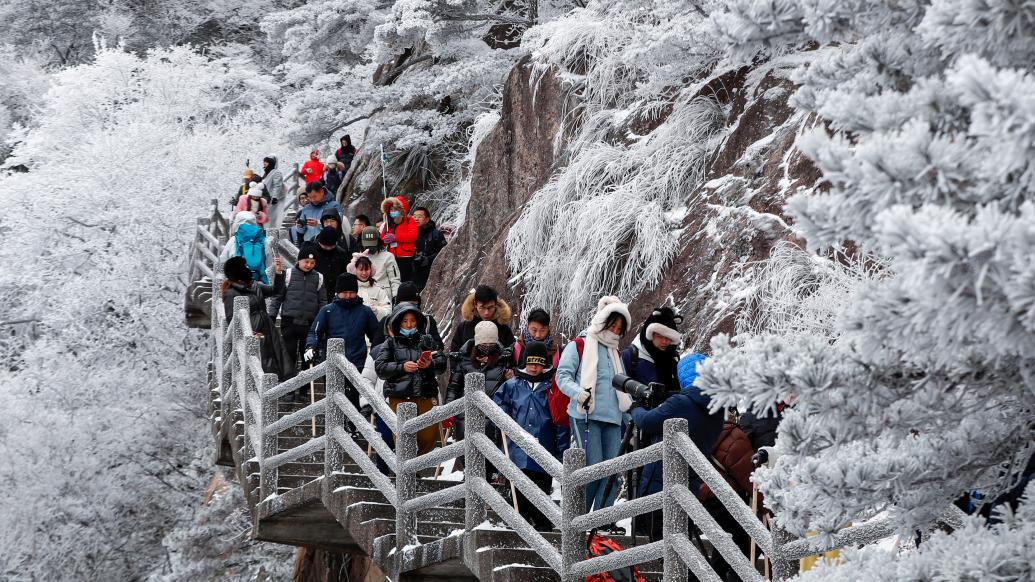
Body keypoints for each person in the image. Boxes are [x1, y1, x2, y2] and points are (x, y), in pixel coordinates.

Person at [628, 354, 730, 565]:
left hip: (660, 482)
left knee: (667, 548)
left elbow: (647, 422)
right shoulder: (717, 410)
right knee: (680, 543)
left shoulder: (682, 403)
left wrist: (635, 407)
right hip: (690, 484)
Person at [556, 296, 631, 516]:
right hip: (586, 415)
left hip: (613, 420)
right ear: (601, 320)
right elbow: (562, 377)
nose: (615, 331)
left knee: (612, 474)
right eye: (612, 325)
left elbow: (622, 389)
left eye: (619, 328)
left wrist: (631, 419)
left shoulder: (615, 353)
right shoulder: (579, 345)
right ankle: (577, 521)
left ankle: (601, 523)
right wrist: (579, 394)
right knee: (593, 469)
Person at [492, 341, 569, 531]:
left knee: (540, 491)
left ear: (545, 364)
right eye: (531, 363)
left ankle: (543, 526)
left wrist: (561, 451)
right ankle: (520, 525)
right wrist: (504, 420)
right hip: (516, 449)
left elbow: (560, 420)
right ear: (525, 362)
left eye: (539, 363)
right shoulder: (512, 385)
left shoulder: (552, 386)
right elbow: (498, 406)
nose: (534, 368)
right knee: (518, 490)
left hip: (544, 447)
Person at [375, 304, 447, 455]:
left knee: (429, 435)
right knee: (403, 435)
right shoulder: (390, 343)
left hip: (425, 393)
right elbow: (380, 368)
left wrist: (429, 364)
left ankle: (412, 467)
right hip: (399, 396)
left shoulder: (427, 340)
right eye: (405, 321)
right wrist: (402, 367)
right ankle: (406, 471)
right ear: (398, 323)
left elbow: (442, 364)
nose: (409, 325)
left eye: (412, 321)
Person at [305, 274, 381, 414]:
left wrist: (377, 352)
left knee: (353, 400)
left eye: (351, 292)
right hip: (331, 363)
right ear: (337, 292)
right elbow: (315, 332)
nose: (348, 296)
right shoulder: (327, 310)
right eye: (344, 293)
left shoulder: (365, 311)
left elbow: (377, 335)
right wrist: (311, 346)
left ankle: (353, 430)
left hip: (357, 363)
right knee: (333, 399)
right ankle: (334, 428)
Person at [221, 255, 292, 378]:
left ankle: (280, 387)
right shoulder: (231, 293)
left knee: (277, 356)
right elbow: (231, 319)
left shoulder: (255, 285)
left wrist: (278, 271)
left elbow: (275, 290)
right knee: (260, 362)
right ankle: (265, 390)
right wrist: (249, 333)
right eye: (245, 266)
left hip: (267, 326)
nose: (248, 268)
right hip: (253, 331)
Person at [274, 242, 327, 389]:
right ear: (299, 260)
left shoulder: (319, 278)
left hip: (309, 325)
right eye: (306, 261)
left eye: (312, 262)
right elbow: (278, 297)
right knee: (289, 356)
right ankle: (288, 388)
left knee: (307, 356)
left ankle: (304, 387)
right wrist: (272, 316)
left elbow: (323, 302)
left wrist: (323, 322)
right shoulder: (289, 274)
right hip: (289, 322)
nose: (309, 265)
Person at [621, 307, 682, 407]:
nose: (664, 341)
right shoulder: (631, 356)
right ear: (649, 334)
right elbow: (621, 393)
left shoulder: (673, 358)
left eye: (668, 337)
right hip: (640, 418)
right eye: (660, 336)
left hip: (670, 416)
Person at [449, 285, 516, 353]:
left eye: (490, 308)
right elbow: (454, 354)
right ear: (475, 305)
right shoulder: (464, 327)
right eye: (482, 308)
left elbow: (512, 353)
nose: (486, 313)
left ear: (495, 304)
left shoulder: (503, 328)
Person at [219, 211, 273, 284]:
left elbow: (223, 261)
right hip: (258, 284)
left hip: (238, 284)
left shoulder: (234, 240)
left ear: (237, 222)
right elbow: (269, 263)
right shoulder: (263, 240)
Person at [394, 281, 444, 351]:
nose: (408, 308)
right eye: (404, 305)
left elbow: (439, 347)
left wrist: (424, 341)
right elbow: (377, 351)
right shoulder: (388, 321)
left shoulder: (427, 320)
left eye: (412, 304)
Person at [379, 196, 419, 282]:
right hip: (391, 257)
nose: (392, 212)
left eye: (395, 209)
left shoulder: (409, 220)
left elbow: (412, 235)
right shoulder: (388, 223)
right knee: (393, 279)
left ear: (401, 209)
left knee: (405, 279)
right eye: (391, 209)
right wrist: (384, 240)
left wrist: (395, 237)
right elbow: (382, 238)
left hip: (405, 257)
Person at [347, 252, 393, 321]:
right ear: (355, 270)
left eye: (366, 269)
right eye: (361, 269)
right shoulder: (348, 288)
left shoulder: (378, 288)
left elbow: (388, 309)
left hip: (375, 328)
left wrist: (377, 311)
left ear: (371, 269)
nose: (364, 273)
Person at [360, 226, 401, 299]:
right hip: (365, 296)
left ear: (378, 242)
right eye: (367, 245)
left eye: (372, 244)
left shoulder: (388, 257)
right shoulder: (359, 257)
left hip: (383, 296)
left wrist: (395, 296)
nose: (370, 248)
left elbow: (395, 279)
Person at [412, 206, 447, 292]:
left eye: (419, 216)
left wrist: (428, 259)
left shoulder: (436, 234)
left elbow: (444, 252)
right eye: (414, 216)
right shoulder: (410, 234)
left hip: (430, 273)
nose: (416, 219)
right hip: (413, 272)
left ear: (427, 219)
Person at [313, 227, 350, 303]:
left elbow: (344, 273)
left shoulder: (341, 253)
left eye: (331, 246)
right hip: (315, 295)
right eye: (325, 246)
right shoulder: (312, 251)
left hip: (335, 295)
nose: (328, 249)